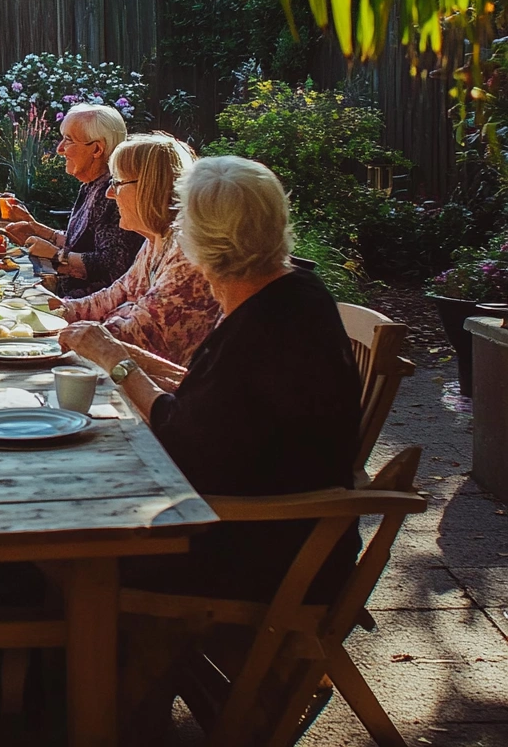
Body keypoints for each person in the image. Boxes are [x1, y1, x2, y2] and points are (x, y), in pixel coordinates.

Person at [60, 156, 364, 739]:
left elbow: (182, 436)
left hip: (260, 549)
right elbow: (206, 395)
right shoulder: (288, 292)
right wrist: (110, 352)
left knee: (70, 535)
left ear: (197, 239)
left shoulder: (267, 326)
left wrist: (116, 362)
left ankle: (83, 703)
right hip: (273, 527)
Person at [52, 132, 220, 365]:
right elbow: (114, 295)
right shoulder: (156, 241)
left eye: (117, 183)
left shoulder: (187, 254)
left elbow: (138, 336)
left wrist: (58, 324)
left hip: (165, 393)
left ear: (150, 188)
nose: (109, 194)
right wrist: (57, 310)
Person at [4, 104, 143, 296]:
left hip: (91, 304)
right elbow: (82, 242)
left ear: (97, 149)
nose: (59, 149)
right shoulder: (92, 185)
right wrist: (36, 228)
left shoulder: (113, 194)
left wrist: (56, 256)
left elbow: (112, 263)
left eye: (68, 140)